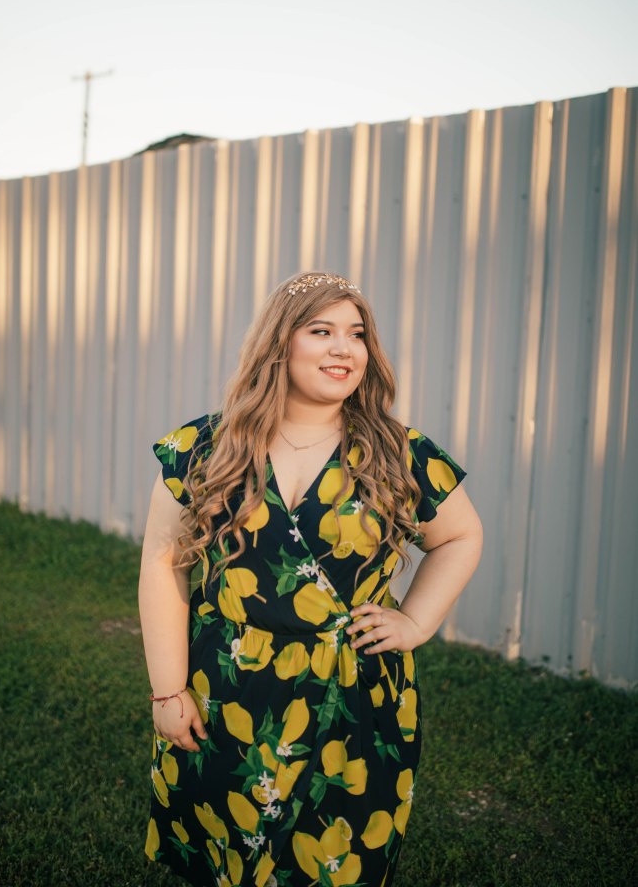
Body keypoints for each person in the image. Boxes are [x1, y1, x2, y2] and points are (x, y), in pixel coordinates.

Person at [139, 270, 482, 887]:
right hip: (227, 688)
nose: (344, 348)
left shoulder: (399, 451)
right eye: (321, 330)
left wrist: (416, 619)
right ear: (279, 344)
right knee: (227, 849)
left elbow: (459, 536)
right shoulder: (207, 446)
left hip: (349, 696)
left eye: (357, 334)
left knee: (333, 859)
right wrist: (168, 691)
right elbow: (163, 566)